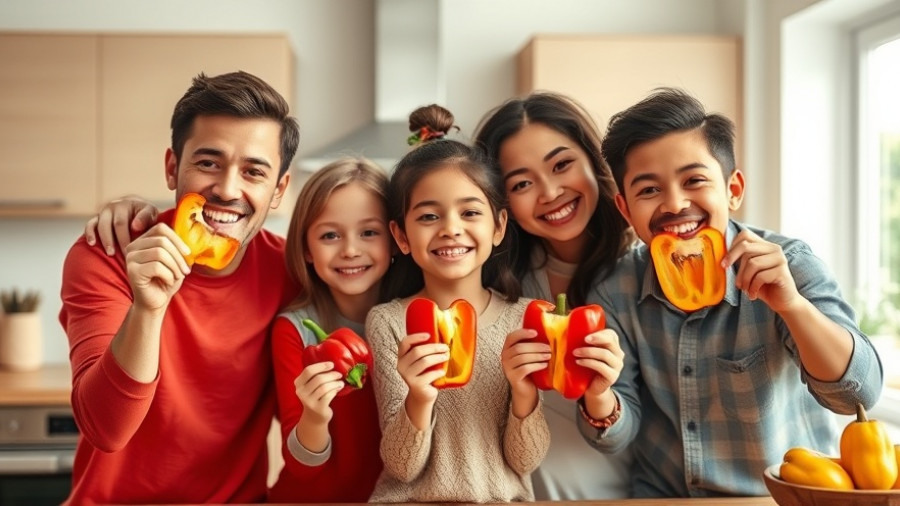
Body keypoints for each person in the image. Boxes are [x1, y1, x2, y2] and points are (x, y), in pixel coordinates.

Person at [578, 87, 883, 497]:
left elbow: (859, 394)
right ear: (625, 209)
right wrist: (599, 395)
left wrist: (791, 305)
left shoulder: (789, 263)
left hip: (781, 498)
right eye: (649, 190)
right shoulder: (615, 290)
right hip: (665, 497)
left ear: (733, 189)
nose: (674, 203)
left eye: (694, 180)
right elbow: (615, 435)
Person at [59, 70, 300, 504]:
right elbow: (105, 429)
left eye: (254, 172)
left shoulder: (291, 270)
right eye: (208, 163)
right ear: (173, 168)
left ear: (279, 189)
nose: (227, 189)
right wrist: (147, 308)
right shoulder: (106, 253)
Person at [365, 104, 550, 502]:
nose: (451, 229)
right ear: (401, 236)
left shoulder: (525, 318)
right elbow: (401, 466)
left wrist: (523, 391)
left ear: (498, 226)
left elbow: (526, 460)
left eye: (469, 212)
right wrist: (419, 396)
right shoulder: (389, 321)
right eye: (429, 216)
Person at [473, 91, 635, 500]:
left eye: (562, 165)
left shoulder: (642, 273)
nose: (549, 192)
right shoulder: (496, 286)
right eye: (522, 183)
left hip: (630, 494)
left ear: (593, 162)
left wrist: (601, 397)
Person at [268, 157, 390, 502]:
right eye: (330, 235)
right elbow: (302, 467)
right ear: (307, 248)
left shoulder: (413, 318)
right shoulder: (294, 330)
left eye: (369, 232)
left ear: (395, 238)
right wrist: (316, 415)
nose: (350, 250)